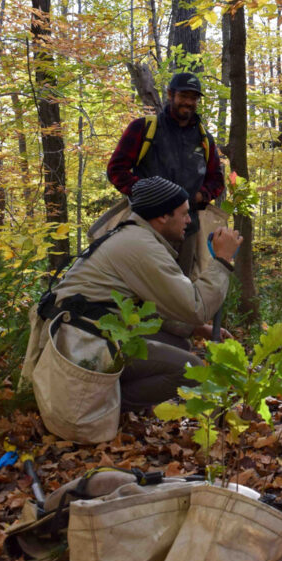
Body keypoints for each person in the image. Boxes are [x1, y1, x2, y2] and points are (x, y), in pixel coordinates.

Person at [25, 176, 243, 413]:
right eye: (184, 214)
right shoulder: (140, 246)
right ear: (162, 216)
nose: (189, 221)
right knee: (190, 367)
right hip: (82, 343)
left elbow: (144, 306)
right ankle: (101, 407)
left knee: (178, 341)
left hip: (88, 335)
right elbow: (196, 307)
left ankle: (109, 397)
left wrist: (194, 329)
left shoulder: (134, 236)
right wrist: (222, 260)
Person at [105, 71, 225, 276]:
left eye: (194, 98)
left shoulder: (204, 138)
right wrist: (147, 194)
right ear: (170, 94)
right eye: (184, 96)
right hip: (145, 228)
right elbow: (116, 170)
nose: (188, 102)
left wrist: (200, 196)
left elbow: (216, 180)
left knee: (182, 290)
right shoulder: (144, 128)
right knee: (143, 290)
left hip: (187, 231)